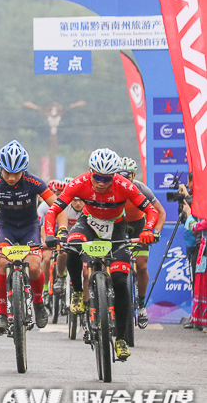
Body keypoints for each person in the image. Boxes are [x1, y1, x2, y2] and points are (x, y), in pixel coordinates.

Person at [43, 148, 159, 360]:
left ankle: (121, 339)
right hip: (88, 223)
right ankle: (78, 291)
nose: (101, 183)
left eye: (107, 178)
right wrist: (51, 234)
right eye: (97, 177)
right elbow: (54, 211)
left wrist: (148, 230)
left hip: (117, 226)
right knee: (71, 247)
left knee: (120, 280)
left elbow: (153, 211)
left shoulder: (124, 185)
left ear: (114, 175)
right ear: (90, 172)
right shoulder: (79, 182)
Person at [0, 141, 57, 334]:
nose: (12, 178)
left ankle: (39, 303)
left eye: (17, 173)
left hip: (30, 228)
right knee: (3, 263)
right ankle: (3, 315)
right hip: (6, 227)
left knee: (34, 266)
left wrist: (56, 232)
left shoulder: (35, 182)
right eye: (7, 173)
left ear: (24, 170)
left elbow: (57, 206)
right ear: (0, 170)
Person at [118, 157, 166, 328]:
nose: (124, 180)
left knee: (142, 267)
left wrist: (156, 232)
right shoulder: (112, 188)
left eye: (128, 176)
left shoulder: (141, 189)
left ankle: (141, 304)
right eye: (120, 175)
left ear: (134, 175)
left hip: (139, 227)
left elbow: (161, 212)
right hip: (118, 226)